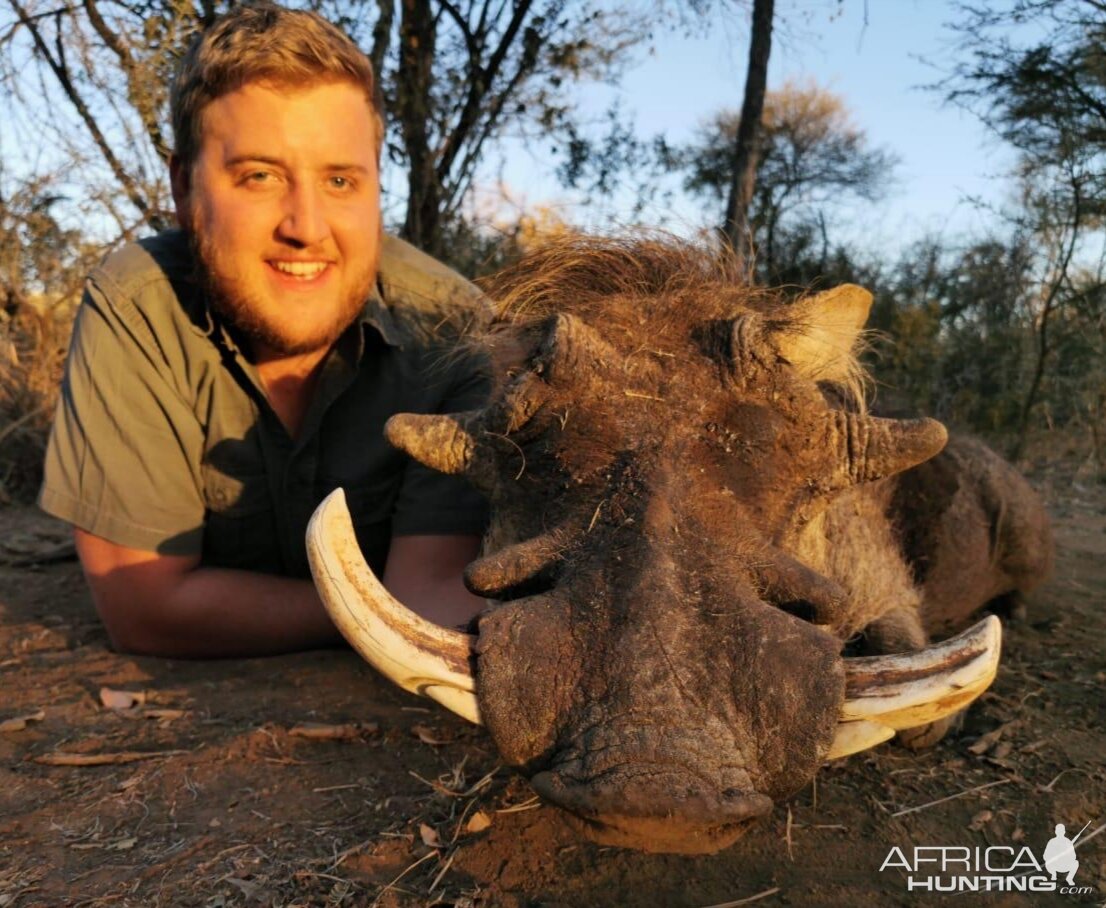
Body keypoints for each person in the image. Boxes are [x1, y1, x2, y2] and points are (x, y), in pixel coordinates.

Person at [38, 2, 489, 658]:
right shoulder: (135, 302)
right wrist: (384, 616)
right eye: (259, 176)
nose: (306, 225)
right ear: (183, 187)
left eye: (340, 180)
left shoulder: (459, 332)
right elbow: (145, 608)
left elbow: (430, 595)